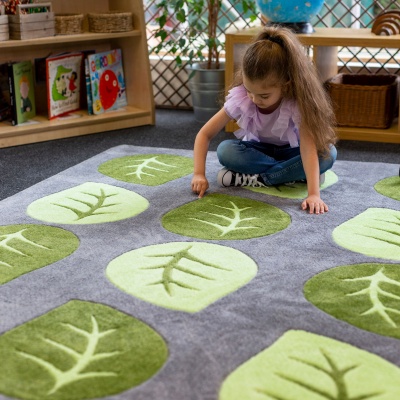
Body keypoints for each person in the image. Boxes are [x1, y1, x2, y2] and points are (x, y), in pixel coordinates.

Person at [191, 25, 337, 215]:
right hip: (258, 152)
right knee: (226, 151)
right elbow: (204, 134)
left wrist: (314, 194)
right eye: (249, 91)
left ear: (286, 86)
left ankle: (259, 178)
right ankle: (292, 175)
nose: (254, 99)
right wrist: (199, 174)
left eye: (264, 95)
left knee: (328, 154)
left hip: (293, 152)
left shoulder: (297, 104)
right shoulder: (243, 97)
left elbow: (308, 149)